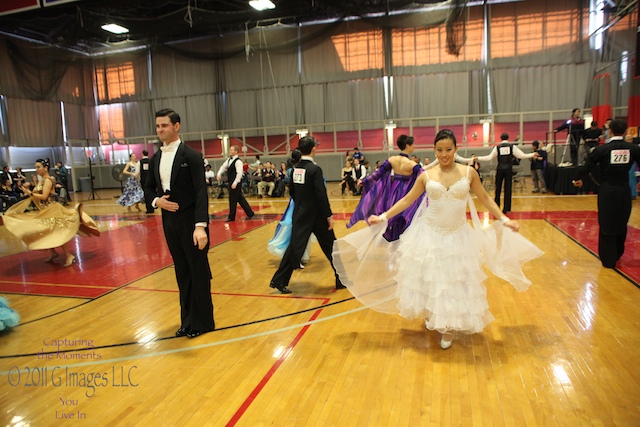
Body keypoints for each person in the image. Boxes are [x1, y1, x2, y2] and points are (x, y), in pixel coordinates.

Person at [333, 129, 543, 350]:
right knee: (432, 280)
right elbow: (406, 200)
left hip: (458, 236)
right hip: (429, 234)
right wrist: (384, 216)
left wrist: (503, 218)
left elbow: (485, 198)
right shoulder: (426, 175)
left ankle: (448, 327)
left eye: (448, 149)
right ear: (434, 150)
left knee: (452, 283)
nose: (444, 154)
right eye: (440, 150)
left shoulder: (469, 172)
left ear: (456, 149)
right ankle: (434, 315)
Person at [144, 109, 215, 338]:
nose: (160, 130)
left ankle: (202, 322)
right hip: (170, 222)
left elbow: (201, 192)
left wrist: (200, 226)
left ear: (176, 126)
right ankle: (187, 321)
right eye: (158, 126)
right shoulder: (155, 158)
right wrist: (157, 202)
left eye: (164, 125)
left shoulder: (191, 156)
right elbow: (147, 188)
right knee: (182, 272)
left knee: (198, 271)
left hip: (192, 222)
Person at [269, 136, 344, 294]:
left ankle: (279, 281)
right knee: (331, 247)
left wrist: (302, 206)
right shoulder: (314, 170)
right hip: (318, 217)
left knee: (294, 248)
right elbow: (321, 195)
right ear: (314, 149)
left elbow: (292, 192)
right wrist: (328, 215)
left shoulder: (295, 169)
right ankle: (341, 279)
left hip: (301, 215)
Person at [2, 158, 100, 267]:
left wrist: (30, 193)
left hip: (52, 210)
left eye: (38, 167)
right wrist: (29, 190)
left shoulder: (48, 180)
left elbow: (44, 196)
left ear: (45, 168)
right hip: (44, 211)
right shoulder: (41, 180)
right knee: (46, 232)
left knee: (57, 233)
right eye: (35, 167)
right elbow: (37, 195)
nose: (36, 169)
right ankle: (53, 253)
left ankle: (69, 255)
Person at [573, 120, 640, 269]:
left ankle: (608, 259)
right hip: (624, 190)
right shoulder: (633, 149)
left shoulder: (602, 150)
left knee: (606, 223)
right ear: (625, 132)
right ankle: (618, 253)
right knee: (622, 221)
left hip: (607, 191)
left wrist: (577, 178)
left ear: (610, 131)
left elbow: (587, 166)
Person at [347, 134, 425, 242]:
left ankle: (393, 240)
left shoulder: (392, 159)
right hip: (404, 193)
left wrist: (364, 181)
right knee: (403, 215)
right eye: (413, 144)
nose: (415, 145)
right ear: (407, 146)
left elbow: (378, 173)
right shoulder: (411, 164)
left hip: (392, 192)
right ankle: (399, 241)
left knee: (392, 214)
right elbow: (424, 176)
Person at [267, 150, 313, 265]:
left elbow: (292, 189)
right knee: (298, 229)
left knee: (298, 229)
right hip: (299, 203)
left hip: (295, 202)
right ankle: (298, 255)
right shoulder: (297, 170)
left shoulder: (293, 170)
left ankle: (301, 255)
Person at [472, 133, 537, 214]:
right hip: (508, 169)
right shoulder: (512, 147)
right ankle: (507, 208)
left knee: (498, 188)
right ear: (508, 138)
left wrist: (478, 158)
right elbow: (522, 156)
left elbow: (489, 157)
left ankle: (496, 207)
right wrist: (532, 154)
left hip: (500, 169)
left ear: (501, 138)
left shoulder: (497, 147)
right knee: (508, 188)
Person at [217, 145, 255, 222]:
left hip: (235, 182)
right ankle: (250, 213)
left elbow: (239, 173)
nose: (230, 151)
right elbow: (223, 167)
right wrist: (219, 173)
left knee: (232, 199)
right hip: (231, 181)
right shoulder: (229, 160)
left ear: (236, 151)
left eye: (231, 150)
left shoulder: (238, 162)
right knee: (240, 199)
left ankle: (231, 217)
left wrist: (235, 183)